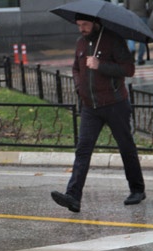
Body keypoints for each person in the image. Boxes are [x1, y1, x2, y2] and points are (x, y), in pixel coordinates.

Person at [51, 13, 146, 213]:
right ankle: (73, 196)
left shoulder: (113, 40)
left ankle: (137, 190)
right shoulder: (80, 43)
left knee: (126, 147)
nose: (81, 28)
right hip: (90, 107)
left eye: (85, 24)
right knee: (82, 150)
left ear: (95, 23)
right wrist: (79, 87)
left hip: (115, 104)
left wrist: (100, 65)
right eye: (78, 25)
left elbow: (128, 69)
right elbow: (76, 68)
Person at [124, 0, 153, 65]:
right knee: (142, 38)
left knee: (131, 34)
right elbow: (151, 5)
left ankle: (132, 49)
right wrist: (147, 13)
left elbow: (125, 6)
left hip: (131, 15)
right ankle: (140, 58)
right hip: (143, 16)